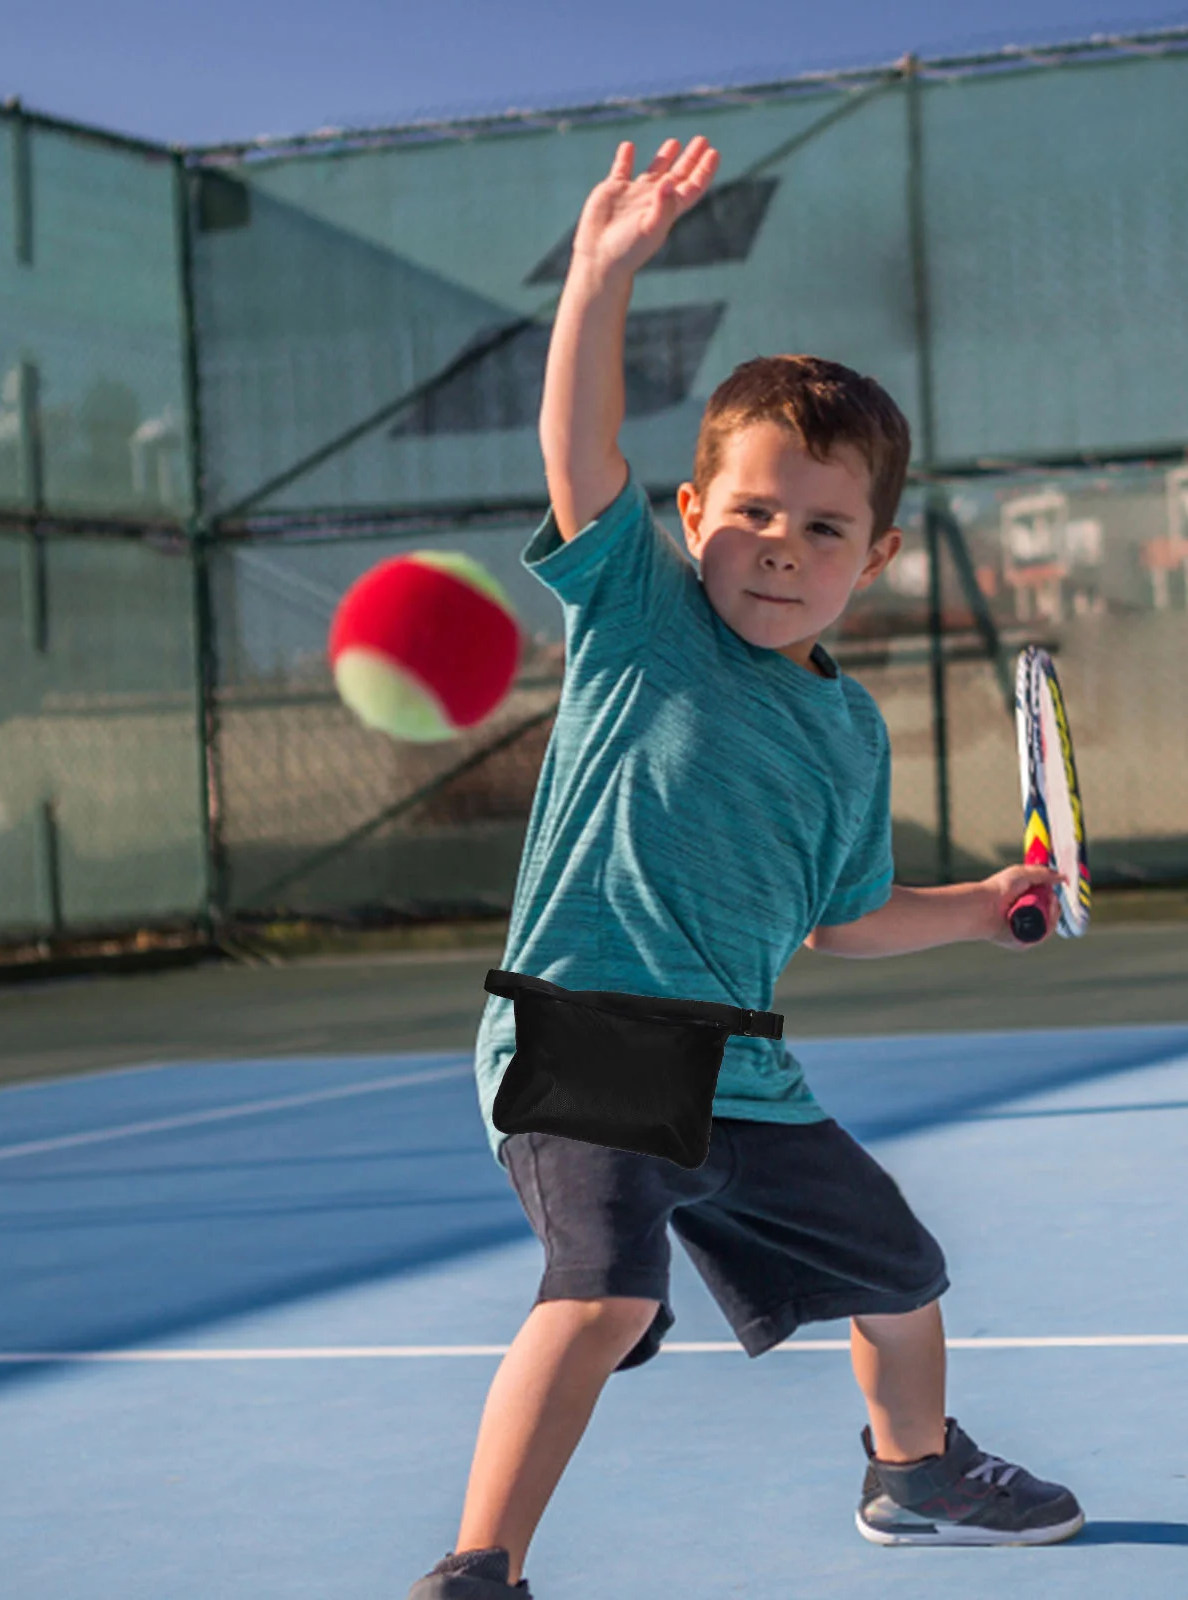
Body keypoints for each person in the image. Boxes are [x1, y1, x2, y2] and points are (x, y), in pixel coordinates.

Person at [409, 134, 1080, 1600]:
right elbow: (579, 455)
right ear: (696, 517)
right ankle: (479, 1569)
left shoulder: (845, 732)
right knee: (599, 1300)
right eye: (755, 515)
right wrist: (602, 272)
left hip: (739, 1066)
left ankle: (913, 1472)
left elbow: (842, 922)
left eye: (823, 527)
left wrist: (979, 910)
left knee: (903, 1275)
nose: (783, 548)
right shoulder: (641, 613)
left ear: (876, 554)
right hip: (581, 1032)